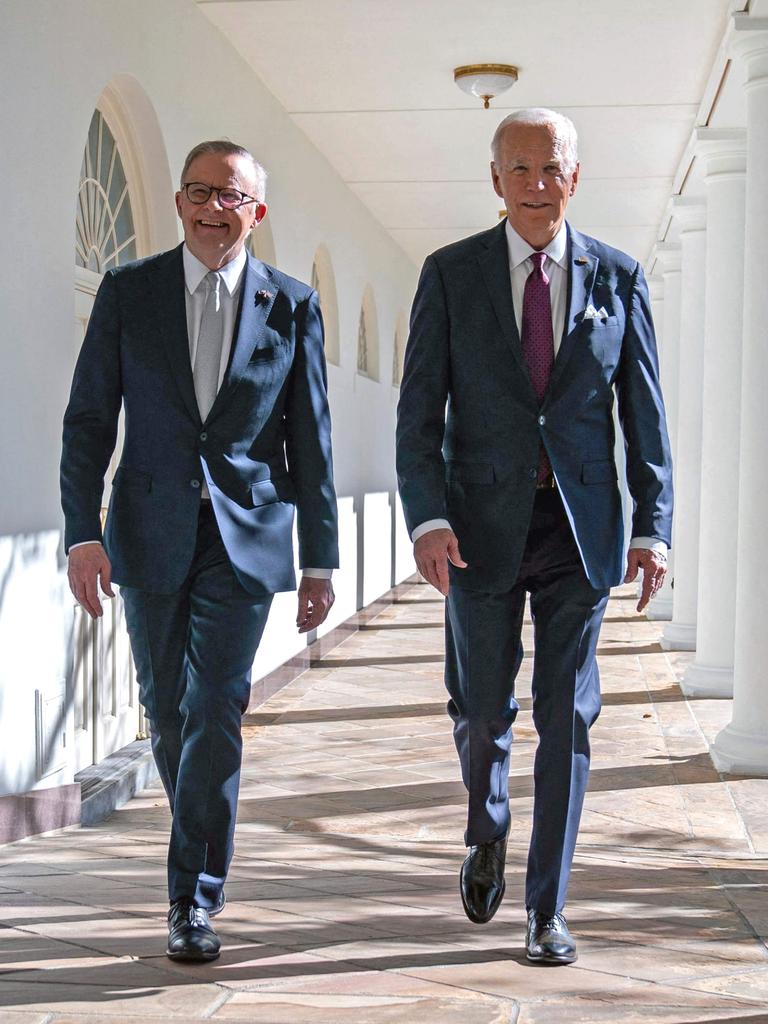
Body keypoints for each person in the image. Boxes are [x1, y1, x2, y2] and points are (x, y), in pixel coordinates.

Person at [396, 108, 672, 964]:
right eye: (519, 169)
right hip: (477, 528)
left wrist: (653, 526)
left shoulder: (619, 278)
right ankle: (487, 826)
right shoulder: (450, 275)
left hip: (580, 531)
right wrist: (429, 517)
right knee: (482, 707)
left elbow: (645, 415)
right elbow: (418, 412)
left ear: (576, 177)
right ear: (495, 180)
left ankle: (546, 909)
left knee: (568, 716)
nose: (537, 185)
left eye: (551, 168)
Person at [61, 140, 338, 962]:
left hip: (245, 537)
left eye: (231, 196)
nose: (213, 208)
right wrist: (83, 531)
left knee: (216, 704)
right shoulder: (128, 293)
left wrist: (319, 560)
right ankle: (198, 864)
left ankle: (192, 898)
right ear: (181, 202)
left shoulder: (292, 305)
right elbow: (87, 423)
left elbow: (312, 441)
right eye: (198, 192)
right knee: (167, 708)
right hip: (145, 531)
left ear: (257, 211)